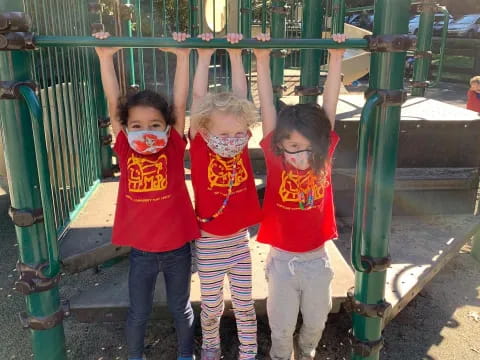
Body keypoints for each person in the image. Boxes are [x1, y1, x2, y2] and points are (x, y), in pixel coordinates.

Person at [94, 31, 199, 360]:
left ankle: (185, 354)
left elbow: (180, 105)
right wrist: (104, 57)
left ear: (167, 127)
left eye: (154, 124)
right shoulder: (126, 149)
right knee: (138, 312)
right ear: (125, 129)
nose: (146, 131)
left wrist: (182, 57)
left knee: (181, 308)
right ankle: (135, 356)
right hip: (141, 251)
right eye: (137, 125)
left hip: (178, 249)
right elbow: (114, 106)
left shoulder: (171, 146)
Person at [253, 32, 347, 360]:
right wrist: (261, 62)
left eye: (308, 145)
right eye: (293, 146)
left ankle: (306, 352)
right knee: (280, 326)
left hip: (318, 259)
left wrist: (336, 59)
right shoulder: (276, 158)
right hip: (281, 260)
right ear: (280, 144)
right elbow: (267, 107)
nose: (301, 152)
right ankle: (281, 357)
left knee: (317, 320)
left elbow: (330, 106)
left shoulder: (324, 155)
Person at [189, 32, 262, 360]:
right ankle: (211, 345)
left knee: (245, 303)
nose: (232, 139)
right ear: (204, 130)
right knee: (211, 304)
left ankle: (249, 350)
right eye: (224, 133)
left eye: (238, 132)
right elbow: (197, 101)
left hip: (238, 241)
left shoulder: (240, 146)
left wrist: (236, 55)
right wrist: (203, 57)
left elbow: (242, 99)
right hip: (208, 242)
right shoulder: (202, 147)